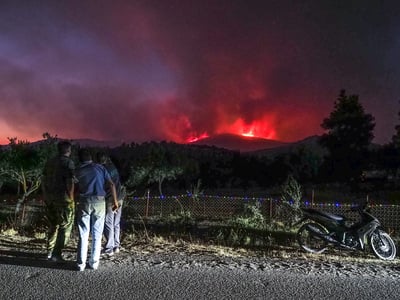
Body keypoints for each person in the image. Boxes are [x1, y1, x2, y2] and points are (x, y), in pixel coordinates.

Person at [75, 148, 119, 271]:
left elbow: (73, 185)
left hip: (84, 201)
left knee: (83, 233)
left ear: (80, 159)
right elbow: (111, 184)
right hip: (100, 202)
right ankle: (94, 263)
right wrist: (115, 202)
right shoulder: (100, 168)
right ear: (91, 158)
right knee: (97, 234)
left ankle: (80, 264)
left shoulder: (77, 170)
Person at [42, 141, 75, 262]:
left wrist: (45, 196)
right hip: (63, 200)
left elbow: (44, 180)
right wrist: (71, 198)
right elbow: (69, 181)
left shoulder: (50, 162)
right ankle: (57, 253)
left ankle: (49, 251)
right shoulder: (68, 163)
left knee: (52, 225)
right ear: (68, 150)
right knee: (64, 226)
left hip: (50, 199)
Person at [96, 152, 126, 257]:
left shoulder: (103, 169)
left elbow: (109, 184)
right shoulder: (113, 167)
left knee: (108, 223)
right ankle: (116, 246)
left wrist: (114, 201)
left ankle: (109, 248)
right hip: (120, 196)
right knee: (116, 223)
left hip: (111, 198)